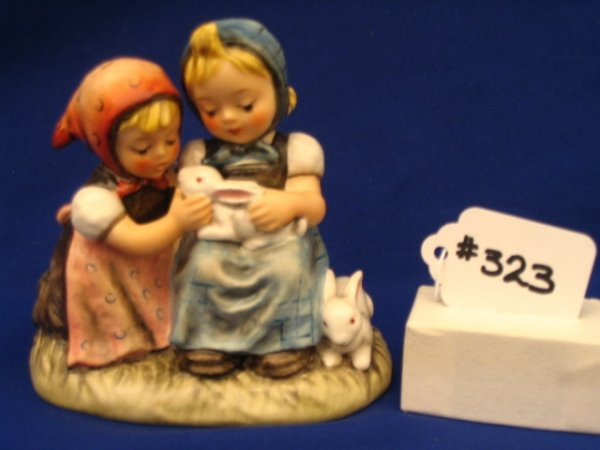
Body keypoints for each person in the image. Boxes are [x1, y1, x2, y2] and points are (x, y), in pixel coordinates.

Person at [171, 19, 329, 378]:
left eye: (245, 104)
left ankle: (282, 343)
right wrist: (188, 212)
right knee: (202, 265)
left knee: (288, 268)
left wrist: (289, 204)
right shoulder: (198, 155)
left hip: (279, 241)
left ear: (279, 92)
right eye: (211, 110)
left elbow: (315, 205)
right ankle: (208, 342)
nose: (228, 118)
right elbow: (181, 199)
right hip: (217, 239)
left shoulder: (297, 150)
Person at [33, 58, 212, 368]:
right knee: (122, 314)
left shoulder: (166, 176)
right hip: (117, 276)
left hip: (152, 269)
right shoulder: (96, 200)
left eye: (170, 140)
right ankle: (122, 344)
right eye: (142, 149)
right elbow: (136, 241)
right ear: (107, 148)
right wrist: (177, 221)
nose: (162, 154)